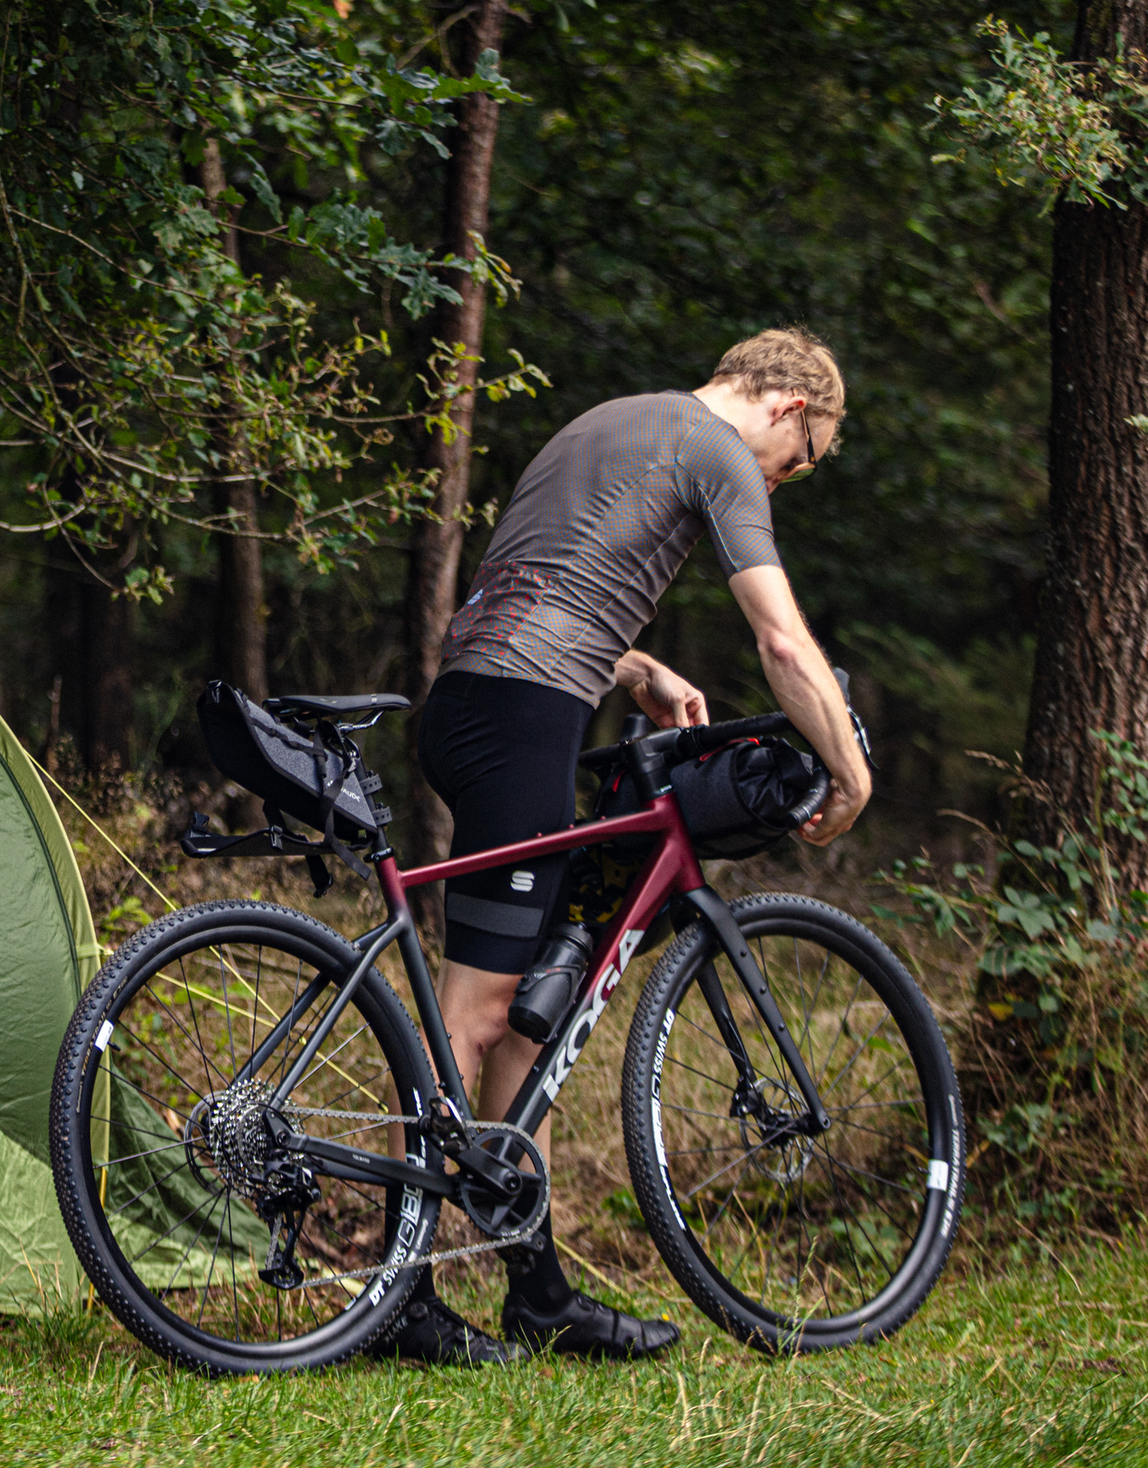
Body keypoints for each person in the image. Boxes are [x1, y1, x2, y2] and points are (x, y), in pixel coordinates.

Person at [371, 326, 872, 1368]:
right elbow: (780, 641)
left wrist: (630, 663)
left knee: (521, 1023)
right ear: (787, 404)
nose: (781, 485)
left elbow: (536, 584)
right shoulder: (719, 448)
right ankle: (398, 1299)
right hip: (520, 718)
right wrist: (849, 768)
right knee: (471, 1017)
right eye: (801, 464)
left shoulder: (608, 421)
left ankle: (540, 1295)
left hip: (478, 703)